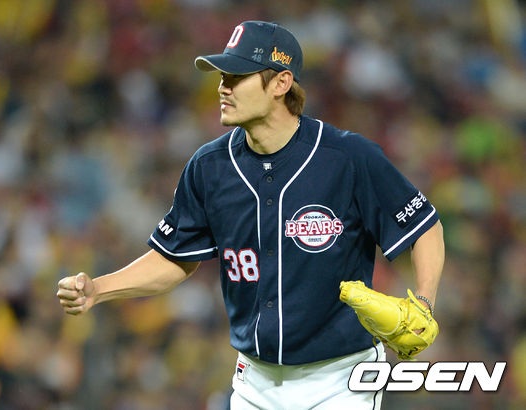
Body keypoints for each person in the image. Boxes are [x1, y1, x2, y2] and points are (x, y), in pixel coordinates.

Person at [57, 20, 445, 409]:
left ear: (281, 83)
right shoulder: (209, 166)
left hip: (340, 380)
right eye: (222, 76)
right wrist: (99, 289)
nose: (223, 87)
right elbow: (174, 259)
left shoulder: (347, 158)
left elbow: (424, 227)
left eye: (237, 76)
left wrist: (424, 302)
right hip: (254, 382)